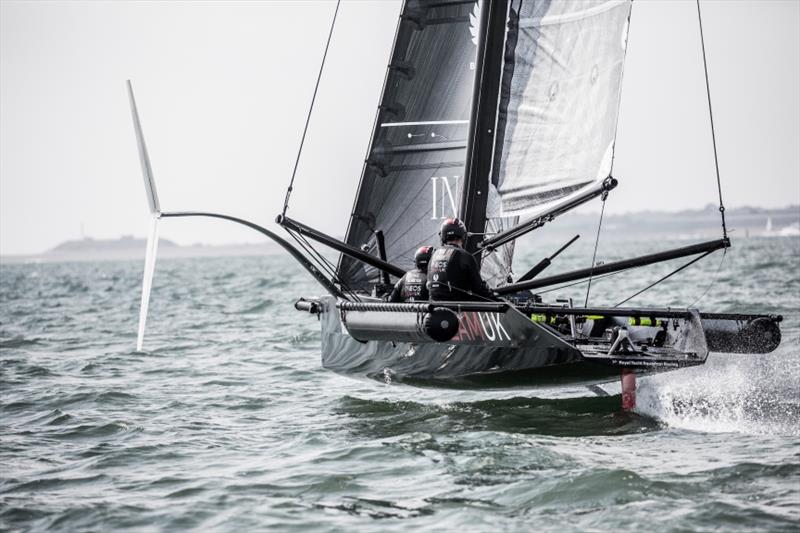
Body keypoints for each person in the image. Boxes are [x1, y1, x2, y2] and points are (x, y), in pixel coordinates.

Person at [427, 218, 493, 301]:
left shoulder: (433, 255)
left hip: (434, 305)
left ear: (443, 235)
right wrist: (494, 297)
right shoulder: (465, 256)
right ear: (463, 235)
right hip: (456, 307)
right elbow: (479, 289)